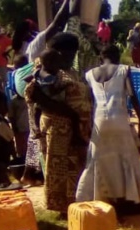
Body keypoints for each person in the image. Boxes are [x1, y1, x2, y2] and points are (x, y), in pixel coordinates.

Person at [25, 32, 92, 215]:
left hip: (68, 126)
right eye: (70, 54)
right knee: (60, 167)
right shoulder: (46, 70)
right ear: (59, 54)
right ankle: (63, 205)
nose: (72, 58)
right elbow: (39, 98)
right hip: (59, 127)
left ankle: (70, 202)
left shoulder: (63, 71)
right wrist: (74, 116)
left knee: (69, 166)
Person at [76, 45, 140, 209]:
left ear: (101, 58)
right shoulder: (123, 70)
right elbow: (133, 97)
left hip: (99, 121)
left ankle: (102, 197)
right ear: (117, 57)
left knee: (99, 160)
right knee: (126, 157)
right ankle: (129, 198)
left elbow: (88, 102)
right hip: (120, 120)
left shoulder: (89, 75)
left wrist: (86, 125)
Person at [9, 55, 31, 167]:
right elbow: (12, 116)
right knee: (21, 147)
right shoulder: (14, 101)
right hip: (20, 129)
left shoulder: (31, 98)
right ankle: (22, 162)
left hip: (29, 128)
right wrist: (14, 127)